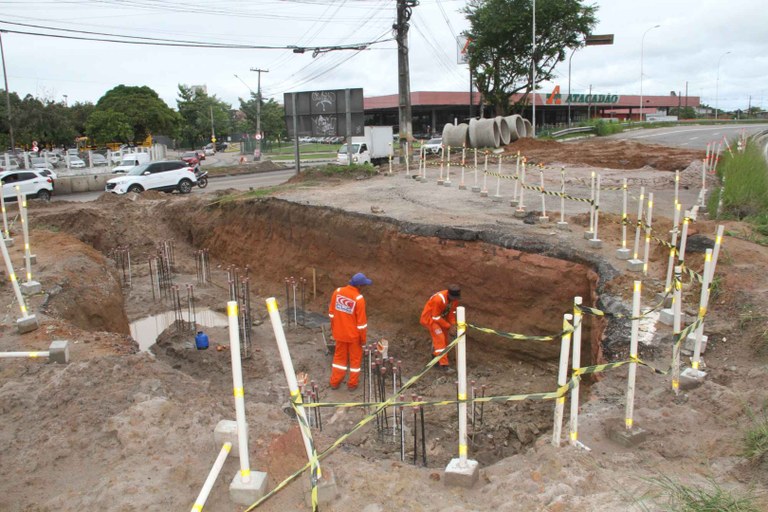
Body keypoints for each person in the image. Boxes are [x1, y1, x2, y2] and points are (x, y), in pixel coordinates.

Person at [328, 272, 372, 390]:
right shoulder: (358, 299)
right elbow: (361, 324)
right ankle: (352, 384)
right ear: (359, 286)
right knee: (355, 361)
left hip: (339, 334)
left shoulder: (337, 292)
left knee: (339, 359)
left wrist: (335, 330)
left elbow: (331, 314)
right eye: (363, 286)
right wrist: (363, 340)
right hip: (354, 337)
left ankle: (334, 382)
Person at [420, 284, 461, 370]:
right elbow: (435, 317)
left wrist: (453, 324)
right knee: (440, 339)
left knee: (445, 339)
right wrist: (449, 326)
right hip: (430, 319)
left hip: (441, 319)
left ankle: (435, 357)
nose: (455, 300)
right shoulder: (438, 299)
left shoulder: (454, 300)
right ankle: (444, 365)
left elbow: (451, 313)